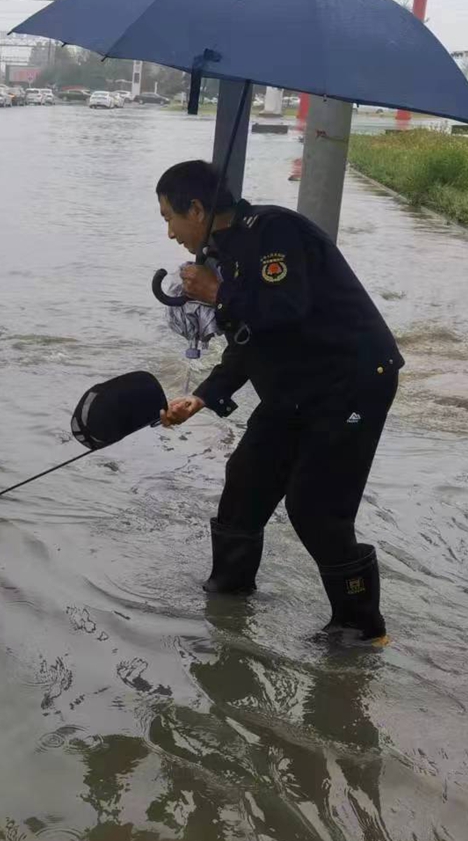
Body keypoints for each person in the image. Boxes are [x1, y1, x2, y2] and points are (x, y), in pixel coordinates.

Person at [154, 160, 402, 642]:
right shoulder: (223, 251)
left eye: (169, 217)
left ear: (197, 209)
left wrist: (219, 291)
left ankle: (360, 628)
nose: (169, 232)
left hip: (351, 383)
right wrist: (201, 398)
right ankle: (228, 594)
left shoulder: (276, 232)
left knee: (315, 505)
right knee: (246, 479)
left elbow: (285, 310)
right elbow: (249, 341)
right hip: (297, 388)